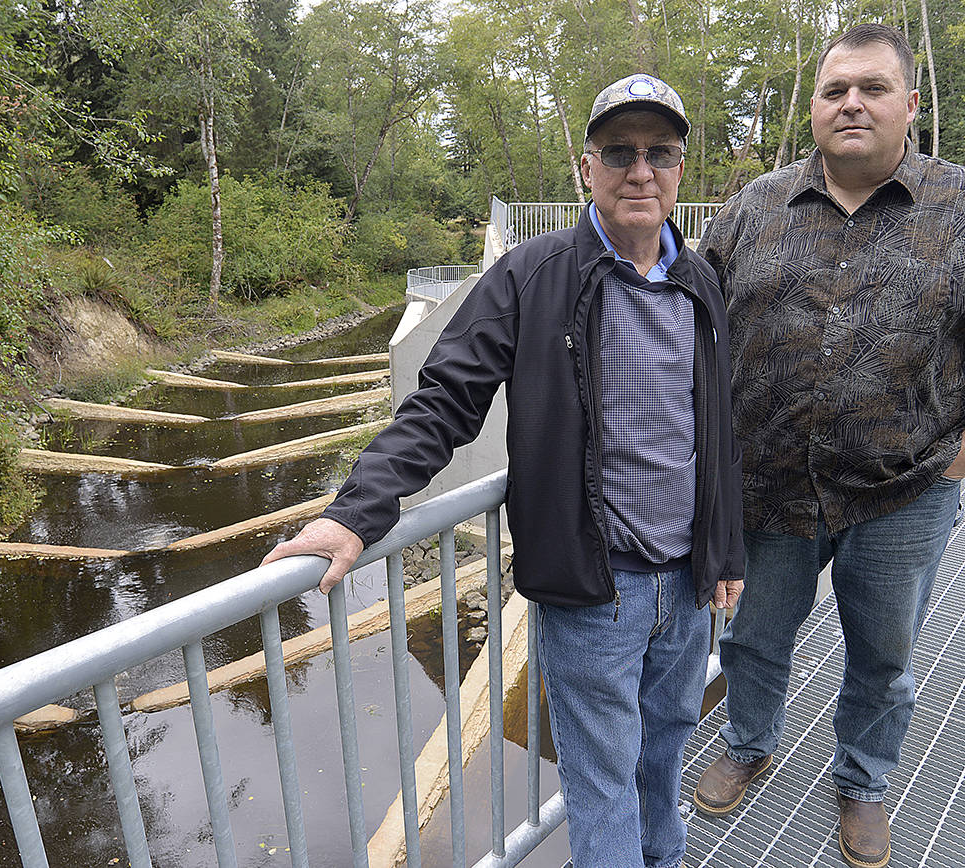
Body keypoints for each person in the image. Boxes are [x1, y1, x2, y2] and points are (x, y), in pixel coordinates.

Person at [262, 73, 745, 868]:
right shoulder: (533, 275)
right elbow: (445, 400)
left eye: (659, 153)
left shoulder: (699, 283)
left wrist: (724, 550)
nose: (640, 170)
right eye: (619, 152)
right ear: (586, 168)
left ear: (680, 171)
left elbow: (716, 429)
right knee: (603, 788)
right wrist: (356, 512)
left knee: (663, 761)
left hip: (690, 587)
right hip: (597, 594)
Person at [692, 23, 965, 868]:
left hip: (908, 490)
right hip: (771, 490)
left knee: (884, 654)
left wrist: (962, 460)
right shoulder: (752, 209)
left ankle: (862, 783)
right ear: (814, 108)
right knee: (752, 635)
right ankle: (749, 743)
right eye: (834, 91)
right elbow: (693, 330)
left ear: (911, 105)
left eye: (871, 88)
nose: (850, 103)